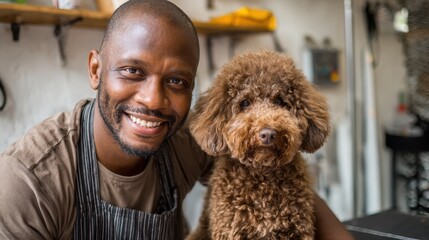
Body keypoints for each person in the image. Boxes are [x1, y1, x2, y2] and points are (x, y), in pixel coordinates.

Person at [0, 0, 354, 239]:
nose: (153, 100)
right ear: (96, 70)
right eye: (132, 71)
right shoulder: (28, 181)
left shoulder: (187, 141)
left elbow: (287, 186)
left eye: (176, 81)